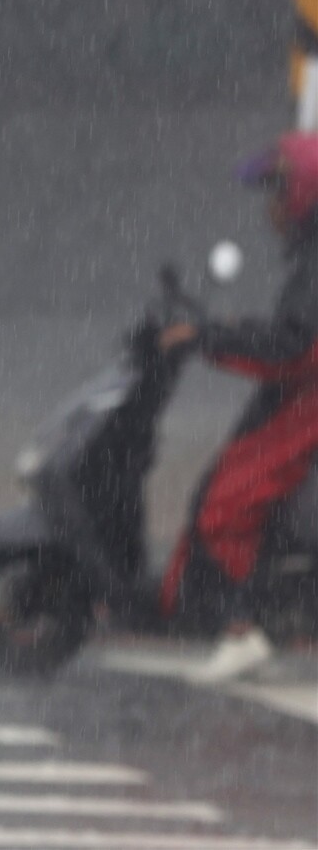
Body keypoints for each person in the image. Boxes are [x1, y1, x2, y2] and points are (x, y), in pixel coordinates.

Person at [159, 131, 318, 682]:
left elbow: (292, 347)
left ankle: (241, 629)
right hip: (299, 395)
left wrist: (210, 339)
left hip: (306, 403)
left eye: (278, 193)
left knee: (227, 503)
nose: (270, 209)